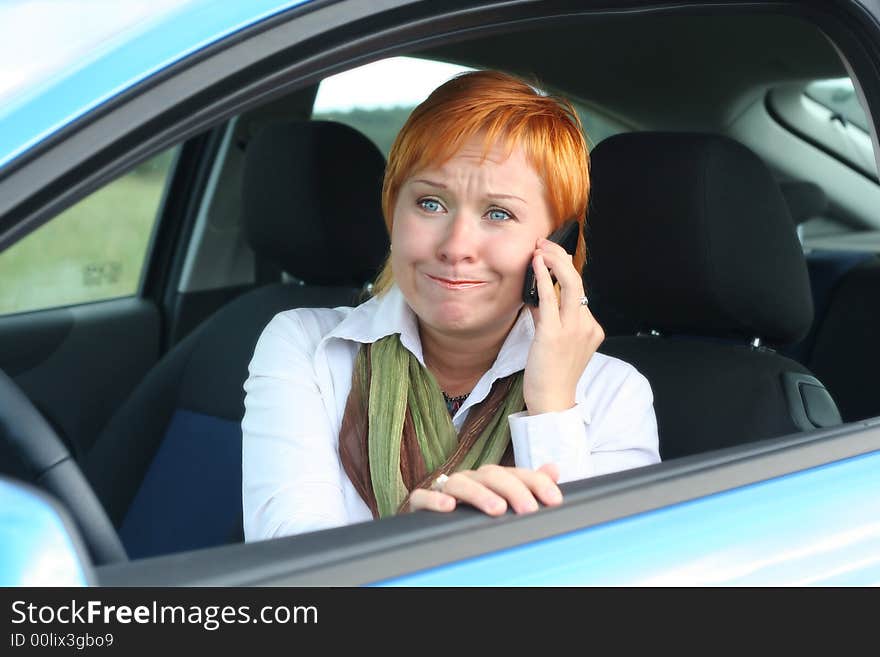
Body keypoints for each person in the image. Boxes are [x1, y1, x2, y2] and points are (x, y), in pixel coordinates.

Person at [242, 70, 660, 541]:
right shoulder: (307, 347)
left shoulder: (614, 395)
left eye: (498, 213)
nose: (456, 246)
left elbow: (597, 577)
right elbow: (288, 559)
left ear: (557, 243)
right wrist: (412, 542)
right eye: (430, 204)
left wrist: (551, 411)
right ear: (392, 211)